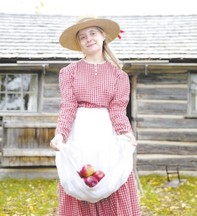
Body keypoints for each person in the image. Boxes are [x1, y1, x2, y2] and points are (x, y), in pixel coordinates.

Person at [50, 16, 141, 216]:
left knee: (110, 177)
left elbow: (118, 110)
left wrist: (126, 133)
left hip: (105, 133)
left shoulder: (119, 75)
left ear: (102, 36)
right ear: (79, 43)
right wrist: (60, 135)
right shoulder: (69, 72)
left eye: (92, 33)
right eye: (82, 36)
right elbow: (68, 106)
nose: (88, 38)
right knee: (82, 181)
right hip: (79, 133)